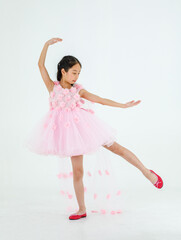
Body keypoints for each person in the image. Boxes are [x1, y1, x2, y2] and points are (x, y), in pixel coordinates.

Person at [25, 37, 163, 220]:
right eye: (74, 72)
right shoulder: (52, 87)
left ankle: (147, 172)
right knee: (78, 171)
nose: (76, 76)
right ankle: (81, 209)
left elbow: (99, 99)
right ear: (63, 71)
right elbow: (40, 66)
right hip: (68, 135)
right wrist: (45, 45)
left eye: (79, 73)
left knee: (117, 149)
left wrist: (122, 105)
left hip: (84, 127)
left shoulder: (79, 91)